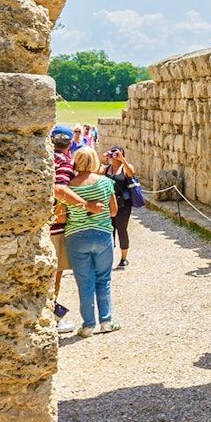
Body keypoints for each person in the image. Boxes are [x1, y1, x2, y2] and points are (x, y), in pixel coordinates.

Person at [51, 124, 106, 335]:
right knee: (54, 274)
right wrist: (87, 205)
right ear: (69, 144)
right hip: (55, 226)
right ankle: (51, 317)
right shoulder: (64, 162)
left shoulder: (49, 159)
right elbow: (59, 189)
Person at [62, 147, 120, 337]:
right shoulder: (105, 183)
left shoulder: (69, 186)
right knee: (103, 279)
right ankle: (106, 321)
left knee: (84, 282)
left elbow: (63, 216)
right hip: (102, 234)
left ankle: (88, 325)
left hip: (76, 236)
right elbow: (113, 211)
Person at [101, 146, 137, 268]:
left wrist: (123, 160)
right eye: (113, 154)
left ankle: (124, 258)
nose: (115, 156)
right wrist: (102, 158)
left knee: (122, 229)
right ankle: (108, 257)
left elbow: (131, 174)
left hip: (123, 205)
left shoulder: (125, 168)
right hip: (108, 204)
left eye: (117, 154)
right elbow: (93, 171)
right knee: (108, 230)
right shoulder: (106, 169)